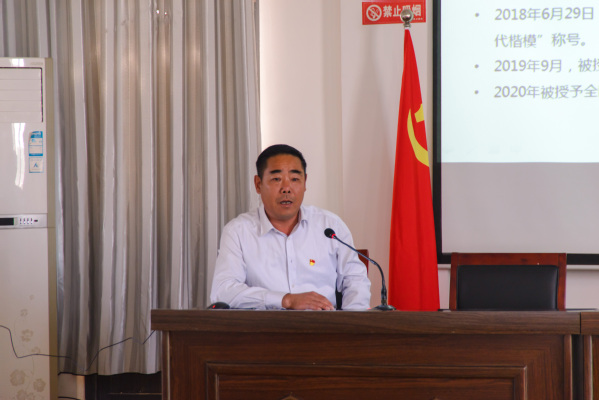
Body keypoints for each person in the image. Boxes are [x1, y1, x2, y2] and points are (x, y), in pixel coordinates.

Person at [210, 144, 371, 310]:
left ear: (305, 182)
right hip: (264, 325)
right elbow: (223, 292)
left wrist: (350, 322)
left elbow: (356, 282)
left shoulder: (330, 227)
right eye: (276, 179)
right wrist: (286, 300)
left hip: (323, 324)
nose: (286, 189)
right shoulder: (238, 232)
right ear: (258, 184)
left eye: (294, 179)